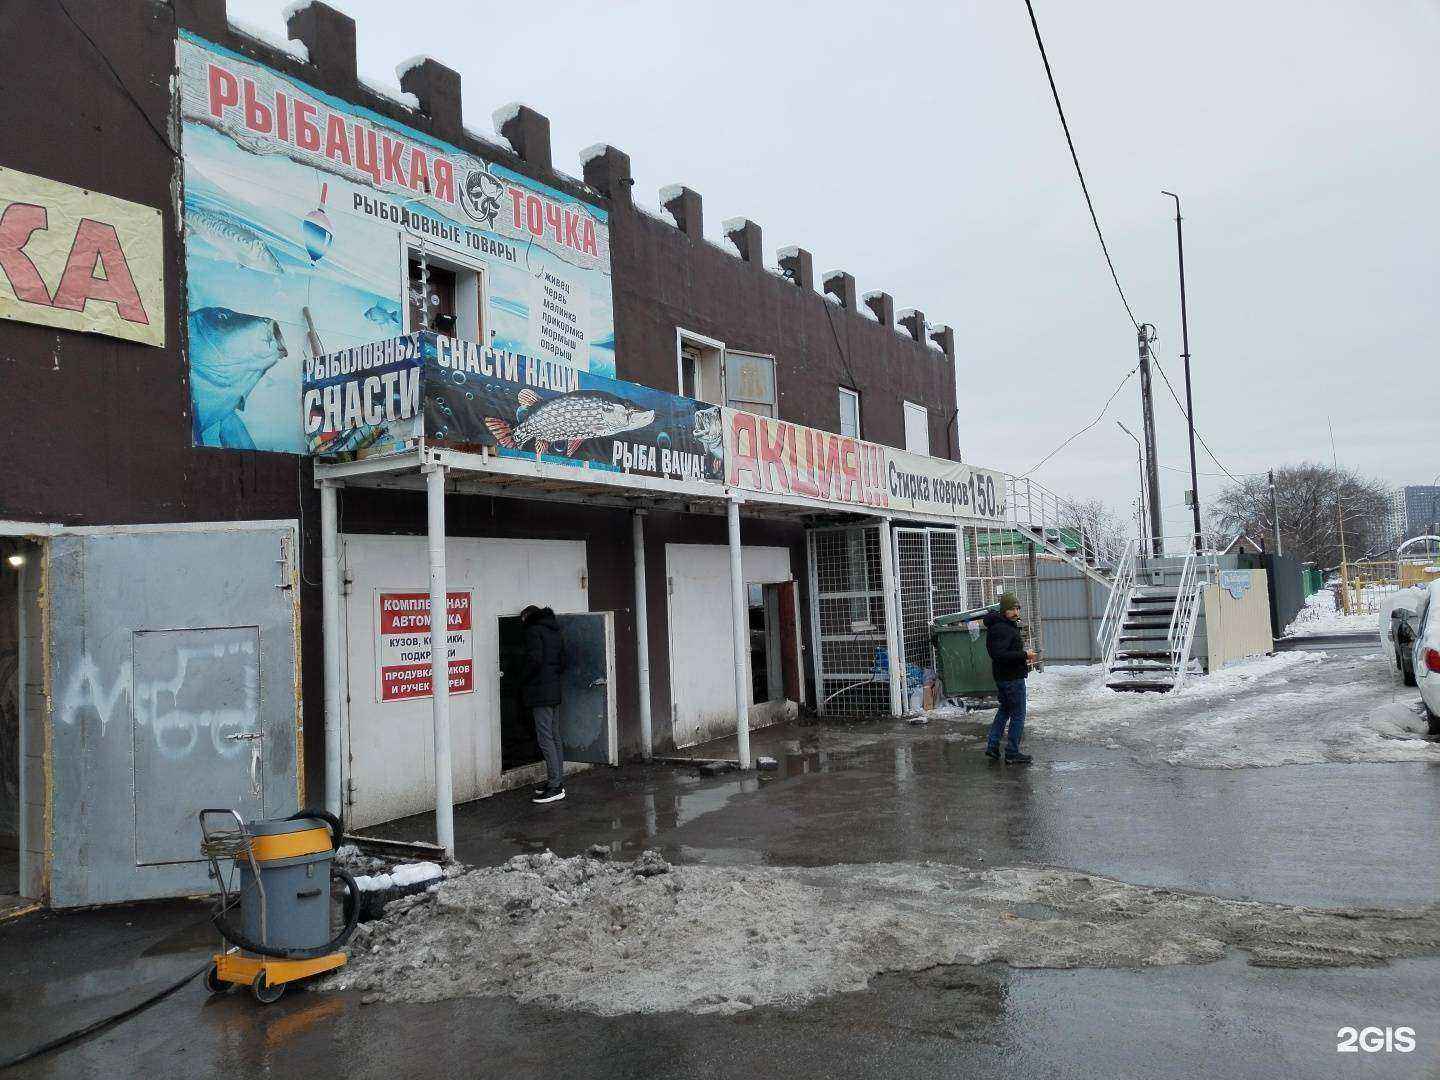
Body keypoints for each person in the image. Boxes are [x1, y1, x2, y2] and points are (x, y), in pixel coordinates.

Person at [983, 592, 1037, 764]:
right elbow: (1000, 654)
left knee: (1005, 710)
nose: (1016, 612)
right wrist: (1024, 655)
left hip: (1005, 677)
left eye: (1017, 608)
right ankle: (1012, 751)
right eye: (1012, 609)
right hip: (1011, 678)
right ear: (1004, 610)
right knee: (1018, 715)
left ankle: (992, 746)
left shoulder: (1003, 625)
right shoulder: (1002, 628)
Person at [520, 605, 567, 803]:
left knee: (545, 738)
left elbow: (534, 660)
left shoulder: (533, 631)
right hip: (554, 690)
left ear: (527, 617)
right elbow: (563, 661)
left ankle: (555, 787)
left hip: (540, 692)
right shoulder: (554, 631)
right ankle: (556, 781)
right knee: (554, 736)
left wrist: (522, 679)